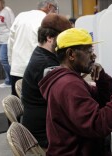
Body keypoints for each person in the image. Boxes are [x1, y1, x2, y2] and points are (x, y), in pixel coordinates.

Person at [39, 28, 112, 156]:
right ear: (71, 54)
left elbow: (101, 100)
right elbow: (99, 125)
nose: (93, 56)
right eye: (89, 51)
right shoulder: (69, 84)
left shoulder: (69, 79)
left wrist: (101, 77)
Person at [21, 13, 72, 148]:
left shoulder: (42, 54)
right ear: (49, 38)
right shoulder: (46, 64)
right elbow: (67, 98)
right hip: (45, 133)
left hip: (41, 123)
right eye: (64, 37)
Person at [8, 0, 58, 96]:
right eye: (56, 10)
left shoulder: (21, 16)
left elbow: (10, 43)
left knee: (19, 105)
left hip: (17, 69)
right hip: (37, 70)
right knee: (38, 103)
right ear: (49, 6)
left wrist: (12, 64)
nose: (56, 13)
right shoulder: (47, 20)